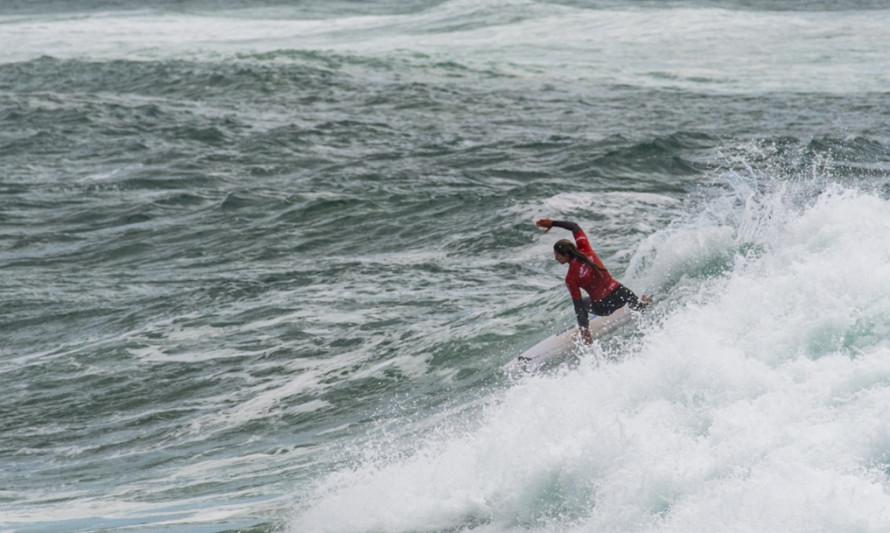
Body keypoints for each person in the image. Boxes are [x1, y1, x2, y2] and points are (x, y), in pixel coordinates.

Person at [536, 218, 650, 344]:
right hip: (621, 295)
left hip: (604, 307)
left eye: (558, 255)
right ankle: (641, 305)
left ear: (566, 255)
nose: (556, 258)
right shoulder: (586, 249)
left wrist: (584, 330)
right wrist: (553, 223)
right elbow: (574, 226)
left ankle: (585, 332)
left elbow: (578, 306)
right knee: (620, 289)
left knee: (583, 302)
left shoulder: (570, 278)